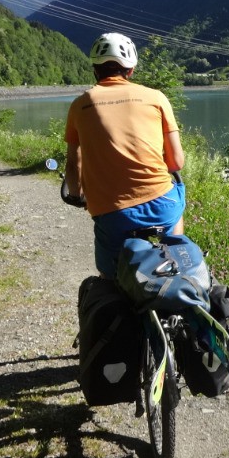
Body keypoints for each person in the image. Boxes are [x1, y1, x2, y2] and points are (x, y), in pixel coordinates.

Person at [64, 32, 186, 279]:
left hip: (112, 213)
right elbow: (176, 162)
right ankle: (179, 260)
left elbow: (73, 163)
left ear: (95, 70)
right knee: (176, 206)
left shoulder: (79, 106)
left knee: (109, 279)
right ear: (130, 70)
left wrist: (77, 195)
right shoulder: (156, 97)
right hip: (163, 205)